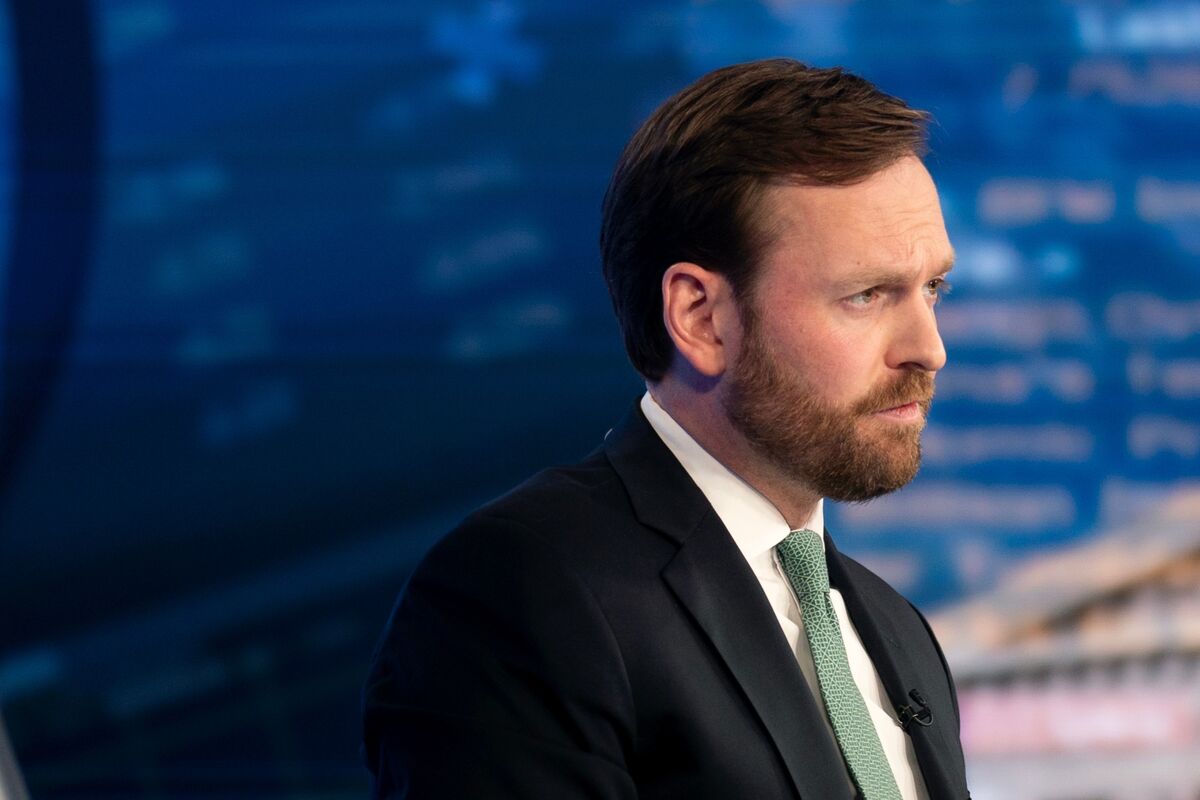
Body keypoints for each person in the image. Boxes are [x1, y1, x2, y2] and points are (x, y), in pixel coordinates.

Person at [363, 58, 969, 800]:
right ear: (700, 317)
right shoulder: (519, 592)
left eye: (933, 288)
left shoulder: (898, 629)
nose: (929, 348)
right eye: (867, 295)